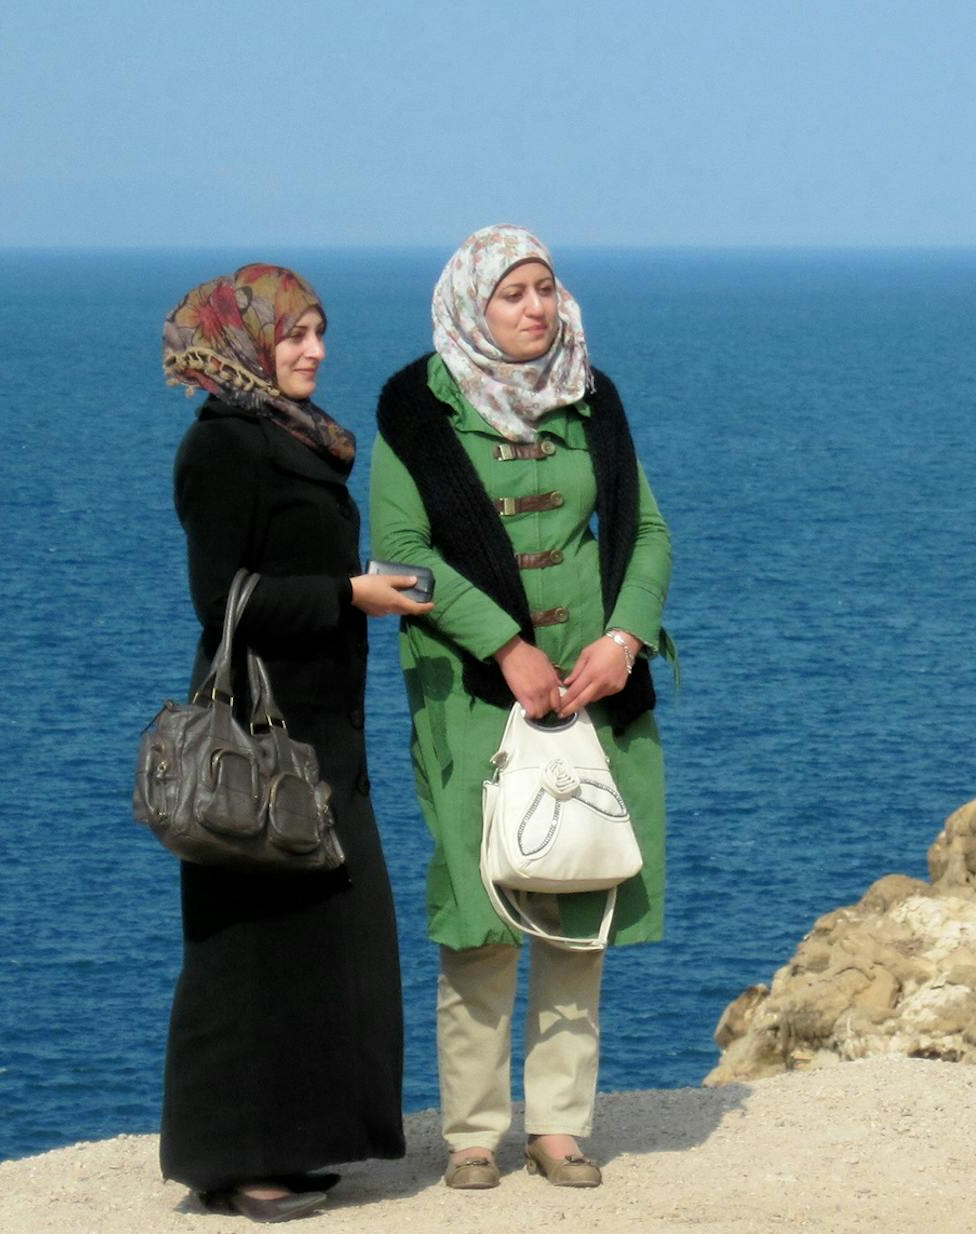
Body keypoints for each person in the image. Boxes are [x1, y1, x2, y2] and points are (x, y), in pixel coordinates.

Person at [371, 226, 671, 1191]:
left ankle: (558, 1125)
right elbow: (401, 556)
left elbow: (648, 530)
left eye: (547, 288)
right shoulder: (416, 412)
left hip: (590, 686)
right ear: (472, 305)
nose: (538, 307)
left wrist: (621, 641)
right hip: (468, 690)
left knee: (579, 893)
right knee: (479, 904)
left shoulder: (594, 398)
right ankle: (471, 1130)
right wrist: (505, 645)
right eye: (514, 294)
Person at [158, 264, 428, 1223]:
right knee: (252, 955)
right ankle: (237, 1161)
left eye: (320, 333)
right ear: (247, 343)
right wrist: (349, 594)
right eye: (295, 336)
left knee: (330, 942)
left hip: (320, 731)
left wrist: (358, 581)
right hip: (259, 736)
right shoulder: (226, 447)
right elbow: (221, 598)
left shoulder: (289, 435)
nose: (314, 351)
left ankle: (302, 1138)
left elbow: (288, 568)